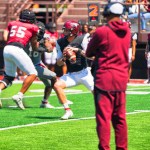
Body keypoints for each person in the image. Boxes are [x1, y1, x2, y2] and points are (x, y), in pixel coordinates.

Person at [86, 2, 131, 150]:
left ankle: (104, 147)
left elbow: (88, 52)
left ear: (107, 14)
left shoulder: (102, 31)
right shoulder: (128, 31)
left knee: (104, 118)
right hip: (121, 79)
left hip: (104, 78)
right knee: (120, 118)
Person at [53, 20, 94, 120]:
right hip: (71, 75)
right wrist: (63, 58)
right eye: (65, 30)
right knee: (57, 85)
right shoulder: (60, 42)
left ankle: (105, 111)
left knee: (97, 93)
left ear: (74, 31)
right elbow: (58, 63)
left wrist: (78, 51)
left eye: (67, 30)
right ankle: (68, 110)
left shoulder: (82, 39)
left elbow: (92, 57)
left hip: (85, 73)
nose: (65, 32)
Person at [0, 9, 39, 109]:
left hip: (7, 48)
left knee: (9, 76)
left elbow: (6, 35)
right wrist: (38, 46)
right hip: (17, 49)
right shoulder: (34, 27)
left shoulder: (13, 23)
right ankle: (19, 95)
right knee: (33, 73)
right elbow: (34, 45)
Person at [25, 21, 57, 109]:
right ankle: (19, 95)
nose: (38, 32)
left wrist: (45, 43)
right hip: (28, 64)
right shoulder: (26, 38)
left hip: (37, 64)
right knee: (53, 77)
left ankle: (44, 102)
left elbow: (50, 50)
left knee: (49, 83)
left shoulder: (43, 39)